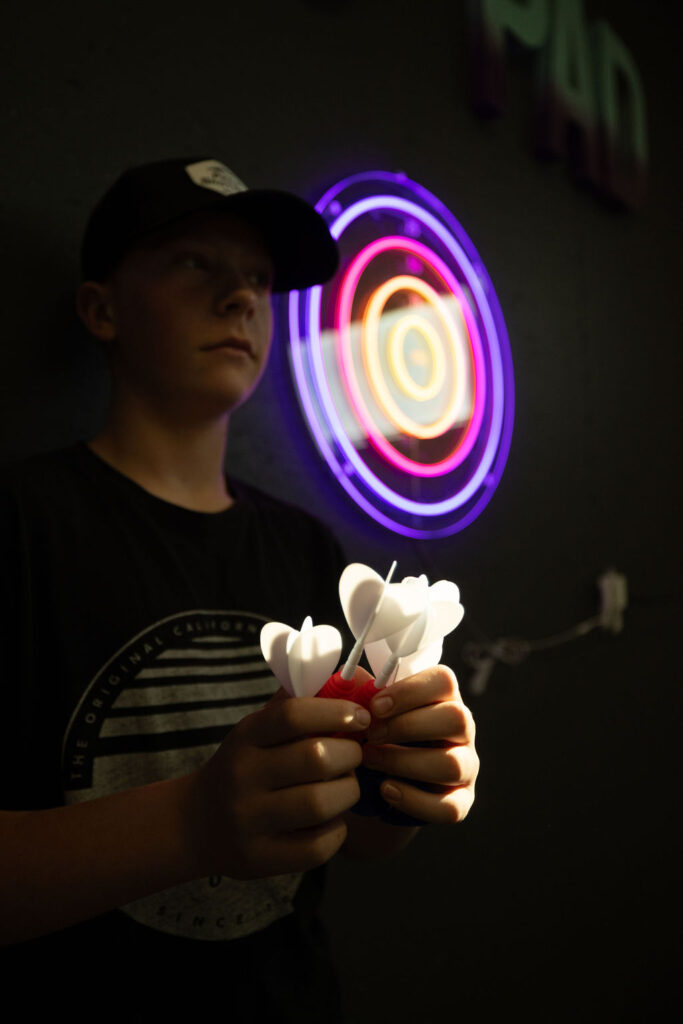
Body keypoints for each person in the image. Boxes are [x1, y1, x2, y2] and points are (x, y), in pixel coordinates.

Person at [0, 157, 479, 1020]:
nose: (240, 299)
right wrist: (190, 825)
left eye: (258, 278)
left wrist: (408, 783)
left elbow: (357, 837)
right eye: (194, 263)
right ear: (100, 309)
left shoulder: (304, 546)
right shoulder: (21, 523)